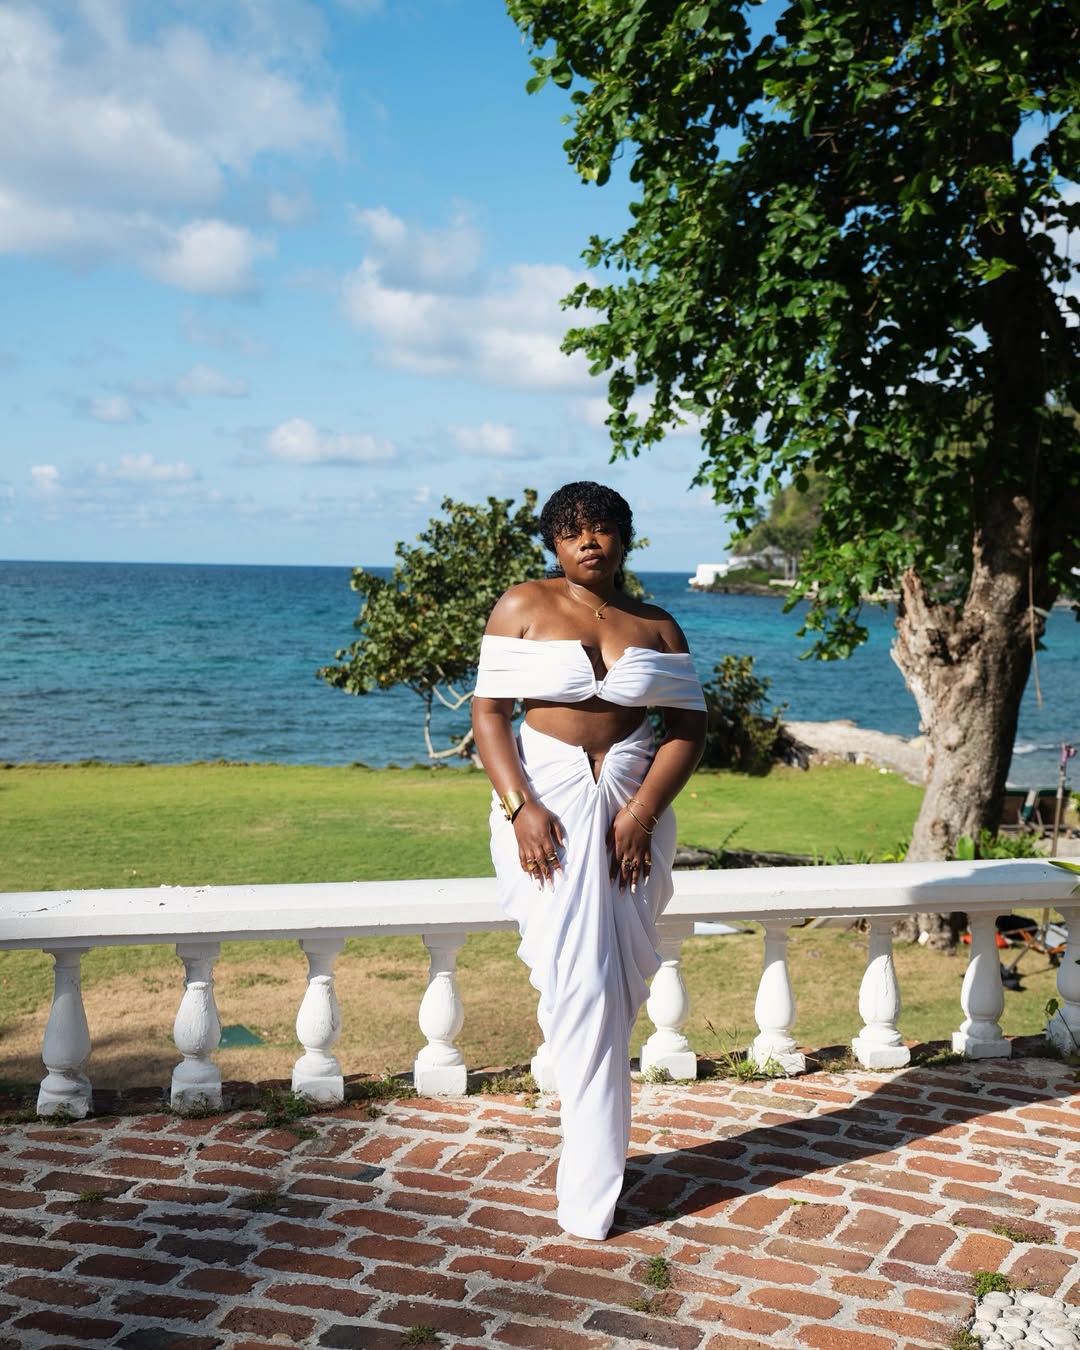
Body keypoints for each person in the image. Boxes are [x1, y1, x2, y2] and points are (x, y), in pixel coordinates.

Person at [471, 481, 707, 1240]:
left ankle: (592, 1170)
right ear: (553, 544)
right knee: (577, 984)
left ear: (625, 538)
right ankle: (589, 1181)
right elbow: (488, 714)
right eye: (572, 532)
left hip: (633, 815)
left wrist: (641, 815)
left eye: (602, 529)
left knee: (616, 988)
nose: (588, 542)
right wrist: (520, 808)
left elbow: (688, 731)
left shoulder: (658, 624)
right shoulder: (522, 606)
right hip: (550, 814)